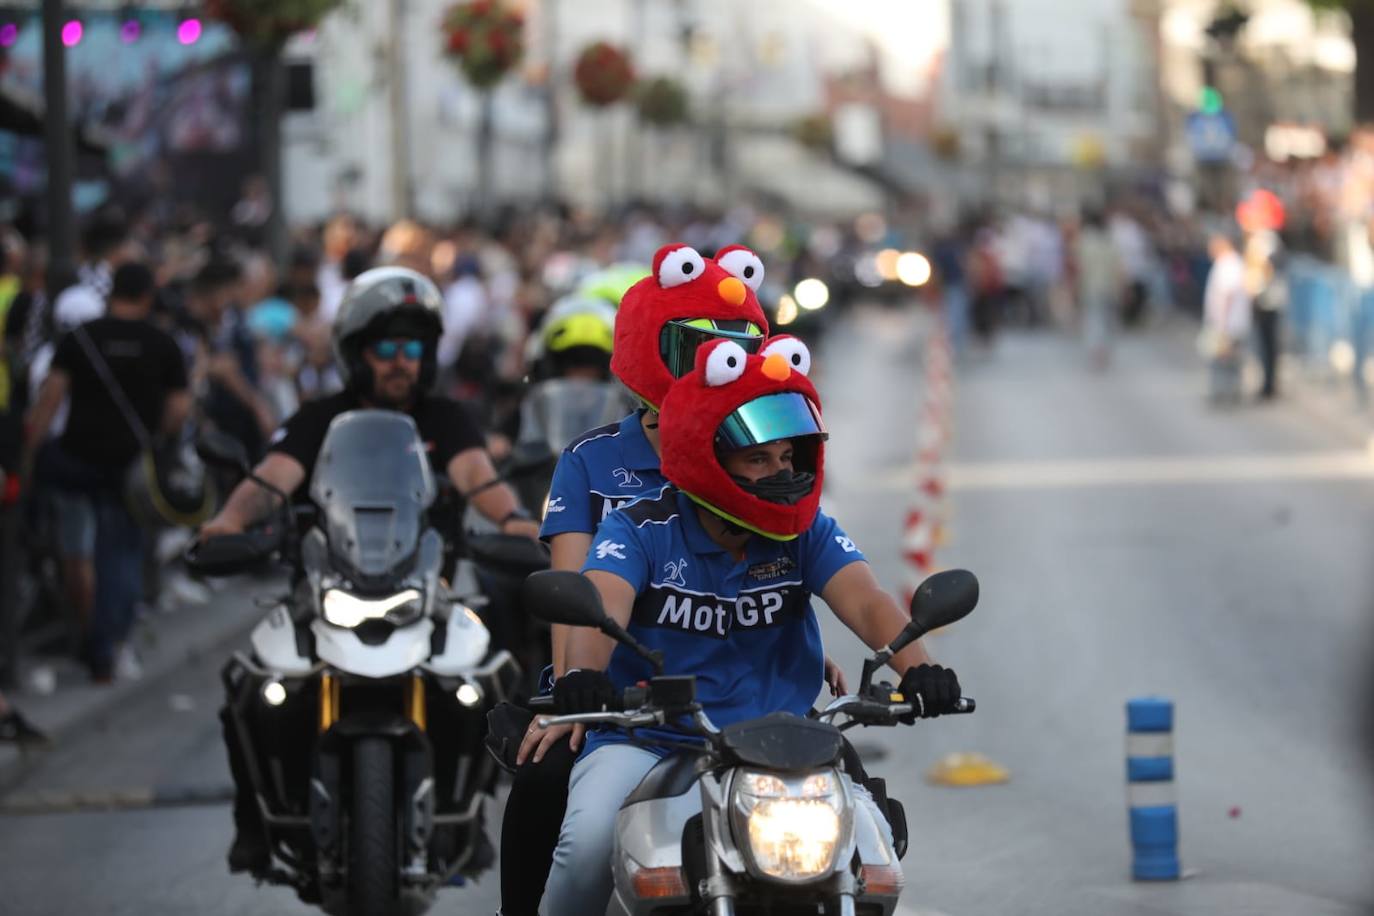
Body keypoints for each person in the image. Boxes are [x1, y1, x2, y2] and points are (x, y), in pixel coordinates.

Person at [540, 337, 964, 914]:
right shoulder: (641, 527)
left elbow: (865, 600)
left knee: (877, 861)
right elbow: (602, 599)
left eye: (787, 459)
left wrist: (923, 670)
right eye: (758, 460)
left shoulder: (805, 531)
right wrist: (583, 673)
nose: (778, 473)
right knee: (584, 848)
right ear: (706, 457)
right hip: (650, 740)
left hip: (786, 747)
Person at [200, 265, 538, 874]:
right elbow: (271, 479)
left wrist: (515, 520)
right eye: (386, 347)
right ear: (357, 353)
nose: (400, 361)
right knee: (246, 684)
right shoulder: (319, 418)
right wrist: (227, 521)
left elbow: (477, 478)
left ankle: (471, 809)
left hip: (425, 591)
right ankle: (254, 819)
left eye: (413, 347)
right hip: (327, 590)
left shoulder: (446, 419)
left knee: (492, 674)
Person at [496, 244, 792, 915]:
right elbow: (573, 596)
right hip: (612, 695)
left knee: (854, 805)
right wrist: (575, 687)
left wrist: (799, 647)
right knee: (552, 795)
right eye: (701, 353)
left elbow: (793, 565)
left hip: (736, 691)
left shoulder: (755, 452)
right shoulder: (589, 461)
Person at [23, 263, 193, 682]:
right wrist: (159, 439)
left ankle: (85, 634)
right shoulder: (163, 343)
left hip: (76, 462)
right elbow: (178, 411)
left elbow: (49, 400)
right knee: (121, 554)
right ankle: (108, 643)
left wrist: (27, 457)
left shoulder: (80, 339)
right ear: (148, 296)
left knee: (78, 549)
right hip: (132, 468)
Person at [1202, 231, 1252, 405]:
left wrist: (1222, 325)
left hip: (1228, 324)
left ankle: (1225, 392)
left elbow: (1227, 295)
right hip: (1231, 323)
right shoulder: (1232, 263)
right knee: (1228, 359)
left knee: (1224, 360)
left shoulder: (1228, 264)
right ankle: (1229, 392)